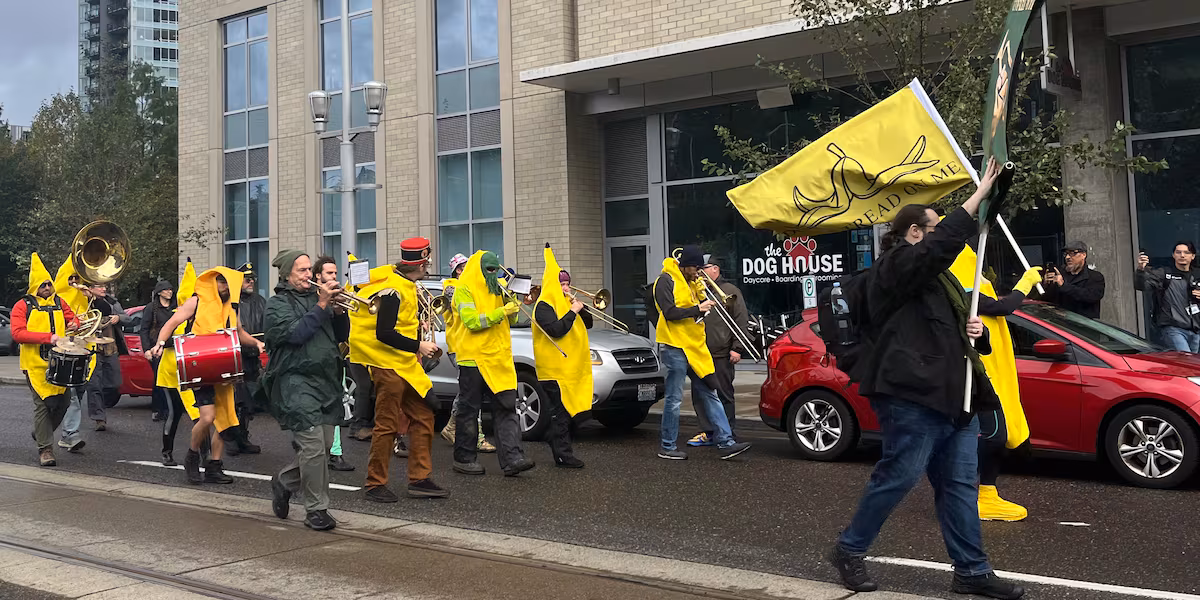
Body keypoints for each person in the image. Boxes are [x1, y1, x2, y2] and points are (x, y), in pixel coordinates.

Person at [828, 158, 1024, 599]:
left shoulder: (937, 283)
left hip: (955, 398)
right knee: (898, 476)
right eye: (933, 226)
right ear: (914, 233)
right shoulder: (894, 270)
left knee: (958, 487)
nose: (940, 235)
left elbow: (944, 330)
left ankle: (971, 571)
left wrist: (974, 333)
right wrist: (976, 198)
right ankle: (849, 549)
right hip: (912, 397)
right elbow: (939, 250)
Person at [948, 242, 1043, 522]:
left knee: (984, 434)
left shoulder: (964, 286)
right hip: (976, 372)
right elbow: (1002, 307)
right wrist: (1024, 284)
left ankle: (978, 495)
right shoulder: (960, 288)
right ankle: (974, 496)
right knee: (992, 435)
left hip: (981, 368)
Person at [350, 238, 449, 501]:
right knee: (387, 425)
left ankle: (420, 479)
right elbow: (384, 334)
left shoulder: (406, 285)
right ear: (420, 263)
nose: (429, 266)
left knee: (425, 415)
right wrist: (419, 345)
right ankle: (374, 483)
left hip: (404, 365)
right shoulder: (393, 290)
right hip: (388, 366)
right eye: (427, 262)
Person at [149, 267, 264, 485]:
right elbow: (172, 323)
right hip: (200, 367)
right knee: (208, 417)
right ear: (213, 281)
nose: (225, 288)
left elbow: (239, 332)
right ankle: (192, 457)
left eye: (228, 284)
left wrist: (256, 342)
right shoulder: (197, 301)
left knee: (226, 420)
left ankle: (214, 466)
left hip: (226, 368)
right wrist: (160, 343)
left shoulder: (232, 306)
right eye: (221, 283)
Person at [263, 250, 350, 531]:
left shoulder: (318, 301)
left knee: (323, 448)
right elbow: (295, 334)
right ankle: (317, 510)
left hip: (326, 381)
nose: (308, 275)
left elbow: (342, 336)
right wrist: (323, 304)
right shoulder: (276, 304)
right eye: (301, 270)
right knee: (312, 448)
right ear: (287, 273)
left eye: (308, 270)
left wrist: (338, 313)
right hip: (294, 381)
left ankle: (284, 482)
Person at [654, 245, 751, 461]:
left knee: (710, 392)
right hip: (675, 347)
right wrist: (697, 309)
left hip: (695, 347)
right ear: (685, 265)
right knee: (674, 399)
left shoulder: (692, 283)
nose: (699, 272)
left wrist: (703, 307)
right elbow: (669, 312)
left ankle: (726, 442)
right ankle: (667, 446)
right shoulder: (665, 280)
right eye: (696, 268)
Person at [450, 250, 534, 477]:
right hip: (473, 359)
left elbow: (512, 319)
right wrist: (501, 311)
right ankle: (464, 458)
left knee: (507, 407)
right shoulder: (463, 289)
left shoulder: (497, 287)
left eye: (496, 269)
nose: (493, 273)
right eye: (489, 269)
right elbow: (471, 322)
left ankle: (513, 459)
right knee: (469, 410)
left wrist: (513, 303)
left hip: (498, 357)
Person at [11, 253, 79, 467]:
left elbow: (72, 318)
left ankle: (42, 433)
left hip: (60, 362)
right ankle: (45, 449)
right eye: (43, 284)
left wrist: (74, 324)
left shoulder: (60, 301)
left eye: (49, 283)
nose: (48, 287)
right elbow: (18, 333)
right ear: (34, 287)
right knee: (42, 405)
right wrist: (48, 338)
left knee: (64, 402)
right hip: (34, 364)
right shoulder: (22, 305)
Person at [531, 245, 587, 468]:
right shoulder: (544, 305)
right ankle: (563, 454)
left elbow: (588, 324)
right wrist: (572, 312)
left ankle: (555, 441)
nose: (566, 287)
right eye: (562, 283)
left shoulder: (564, 302)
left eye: (567, 283)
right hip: (553, 368)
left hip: (569, 366)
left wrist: (580, 309)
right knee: (561, 413)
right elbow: (555, 330)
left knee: (566, 411)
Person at [686, 255, 749, 447]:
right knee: (700, 394)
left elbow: (741, 321)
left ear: (716, 269)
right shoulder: (696, 291)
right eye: (699, 269)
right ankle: (708, 431)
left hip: (722, 352)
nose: (700, 273)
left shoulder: (729, 291)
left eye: (704, 268)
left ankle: (728, 432)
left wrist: (737, 348)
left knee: (724, 393)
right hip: (700, 352)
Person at [438, 252, 495, 454]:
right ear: (458, 270)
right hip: (459, 345)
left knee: (468, 392)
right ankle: (476, 437)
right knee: (471, 393)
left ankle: (453, 427)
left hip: (472, 345)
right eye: (463, 267)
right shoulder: (452, 287)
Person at [313, 255, 355, 472]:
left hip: (333, 359)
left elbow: (342, 334)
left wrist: (340, 311)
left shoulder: (336, 299)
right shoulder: (311, 297)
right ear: (318, 275)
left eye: (335, 273)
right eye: (329, 273)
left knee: (335, 404)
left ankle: (336, 453)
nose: (334, 277)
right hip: (313, 361)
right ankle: (315, 451)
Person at [154, 259, 197, 466]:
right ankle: (166, 452)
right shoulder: (175, 317)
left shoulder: (200, 318)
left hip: (191, 374)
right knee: (175, 413)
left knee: (199, 416)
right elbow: (164, 339)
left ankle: (203, 456)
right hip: (171, 374)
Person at [225, 262, 264, 456]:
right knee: (234, 400)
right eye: (247, 279)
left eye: (253, 279)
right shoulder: (230, 301)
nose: (251, 282)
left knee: (249, 401)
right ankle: (231, 438)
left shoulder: (261, 301)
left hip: (252, 358)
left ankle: (243, 436)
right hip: (234, 356)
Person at [53, 263, 90, 454]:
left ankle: (48, 429)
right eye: (71, 279)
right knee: (71, 396)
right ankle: (70, 434)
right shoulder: (56, 300)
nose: (75, 283)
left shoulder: (85, 297)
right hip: (63, 353)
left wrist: (93, 298)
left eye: (77, 278)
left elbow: (102, 312)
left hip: (83, 351)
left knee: (77, 394)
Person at [1136, 242, 1200, 352]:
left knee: (1190, 366)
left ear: (1193, 256)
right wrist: (1141, 270)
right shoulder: (1164, 273)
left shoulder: (1197, 275)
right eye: (1178, 252)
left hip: (1195, 329)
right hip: (1173, 328)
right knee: (1186, 360)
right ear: (1173, 255)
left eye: (1186, 252)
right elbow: (1142, 286)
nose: (1182, 255)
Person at [81, 282, 126, 431]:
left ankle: (101, 406)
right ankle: (99, 418)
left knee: (114, 383)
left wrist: (118, 318)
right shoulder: (84, 301)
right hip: (91, 349)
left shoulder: (112, 302)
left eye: (104, 286)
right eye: (99, 286)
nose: (103, 289)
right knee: (94, 385)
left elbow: (127, 318)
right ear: (90, 289)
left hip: (110, 346)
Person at [1041, 240, 1105, 319]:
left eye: (1073, 253)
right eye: (1066, 254)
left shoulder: (1095, 277)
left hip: (1083, 326)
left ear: (1083, 255)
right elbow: (1047, 301)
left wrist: (1064, 286)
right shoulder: (1059, 274)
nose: (1067, 257)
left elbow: (1091, 297)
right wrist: (1045, 285)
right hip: (1060, 324)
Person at [142, 280, 177, 422]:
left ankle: (173, 409)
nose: (169, 292)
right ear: (159, 292)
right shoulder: (151, 308)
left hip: (173, 348)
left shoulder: (176, 307)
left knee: (173, 381)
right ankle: (158, 409)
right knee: (159, 380)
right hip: (156, 349)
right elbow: (143, 330)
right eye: (166, 289)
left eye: (170, 289)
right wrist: (146, 350)